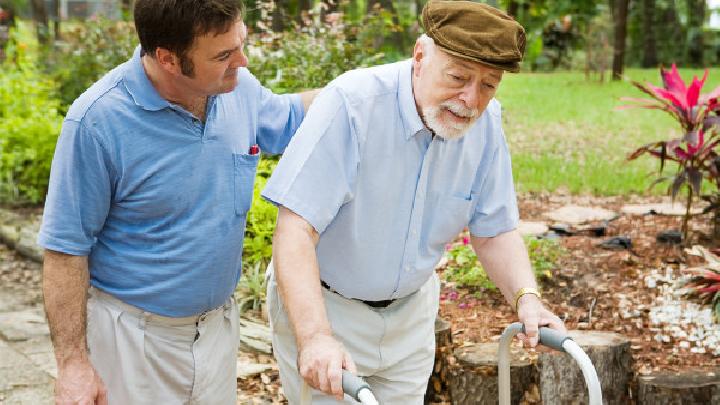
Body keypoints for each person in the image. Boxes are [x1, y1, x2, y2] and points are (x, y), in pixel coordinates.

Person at [261, 1, 566, 403]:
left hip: (411, 316)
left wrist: (527, 298)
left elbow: (494, 231)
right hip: (329, 309)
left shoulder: (486, 125)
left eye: (489, 85)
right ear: (420, 56)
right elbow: (295, 229)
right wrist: (316, 337)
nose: (471, 100)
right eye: (458, 76)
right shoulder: (352, 103)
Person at [38, 0, 318, 403]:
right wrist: (73, 365)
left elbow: (291, 117)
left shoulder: (236, 87)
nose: (242, 61)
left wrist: (370, 90)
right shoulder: (97, 122)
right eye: (223, 55)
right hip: (133, 342)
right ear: (169, 59)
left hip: (217, 330)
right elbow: (65, 250)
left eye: (240, 44)